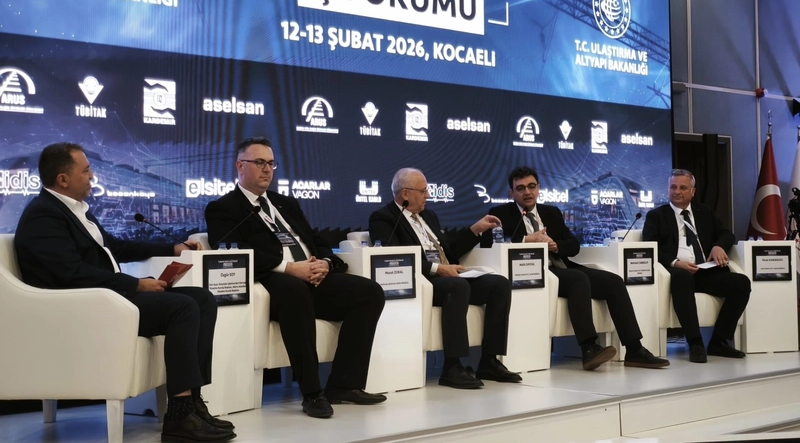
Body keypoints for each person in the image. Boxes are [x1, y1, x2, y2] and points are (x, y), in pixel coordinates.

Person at [14, 143, 234, 443]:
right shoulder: (43, 215)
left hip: (107, 300)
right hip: (82, 308)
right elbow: (69, 273)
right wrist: (135, 285)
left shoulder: (76, 210)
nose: (93, 177)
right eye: (86, 171)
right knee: (182, 307)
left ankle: (193, 402)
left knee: (202, 299)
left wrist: (173, 248)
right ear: (63, 179)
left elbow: (116, 247)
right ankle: (179, 415)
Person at [205, 137, 386, 419]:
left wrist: (325, 263)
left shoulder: (285, 203)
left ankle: (344, 385)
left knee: (370, 292)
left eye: (271, 163)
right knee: (295, 291)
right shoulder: (223, 208)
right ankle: (312, 393)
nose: (267, 169)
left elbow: (316, 240)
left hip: (312, 276)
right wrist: (289, 268)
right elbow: (233, 250)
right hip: (272, 280)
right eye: (259, 162)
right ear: (240, 166)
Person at [488, 166, 669, 371]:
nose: (527, 192)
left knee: (613, 281)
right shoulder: (500, 214)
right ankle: (589, 348)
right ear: (511, 193)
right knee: (577, 279)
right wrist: (526, 241)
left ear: (538, 188)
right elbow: (491, 245)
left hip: (560, 266)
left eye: (531, 186)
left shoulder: (551, 213)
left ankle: (635, 350)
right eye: (520, 188)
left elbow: (573, 246)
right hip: (530, 272)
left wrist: (555, 245)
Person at [369, 168, 522, 389]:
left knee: (499, 284)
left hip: (449, 276)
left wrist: (476, 230)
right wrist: (437, 269)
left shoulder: (429, 216)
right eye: (423, 191)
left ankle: (489, 361)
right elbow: (393, 258)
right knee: (457, 286)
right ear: (405, 194)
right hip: (422, 281)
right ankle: (452, 367)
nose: (428, 195)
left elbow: (450, 251)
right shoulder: (384, 218)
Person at [642, 168, 750, 363]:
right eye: (673, 187)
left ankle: (718, 341)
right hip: (677, 272)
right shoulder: (656, 216)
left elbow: (727, 234)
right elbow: (651, 246)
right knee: (682, 278)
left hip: (705, 271)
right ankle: (695, 343)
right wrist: (676, 263)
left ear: (693, 191)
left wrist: (718, 246)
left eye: (683, 188)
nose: (677, 191)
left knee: (741, 283)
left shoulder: (704, 212)